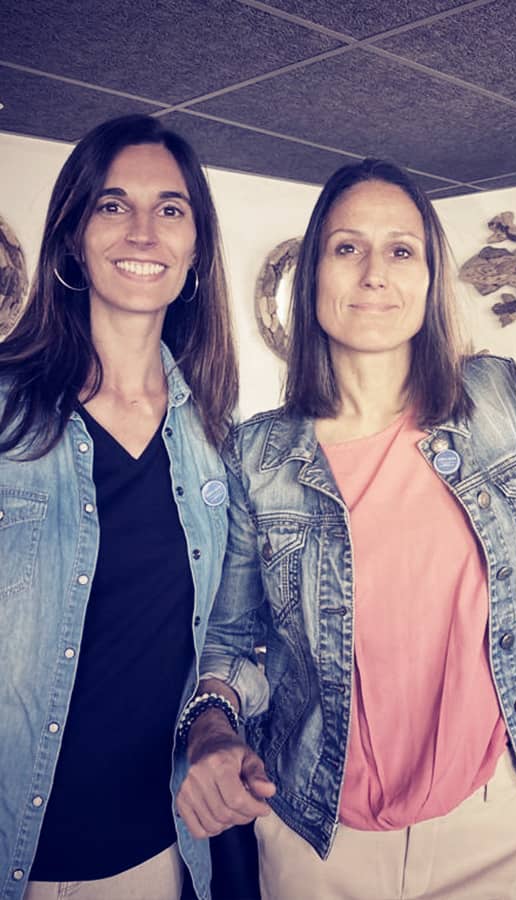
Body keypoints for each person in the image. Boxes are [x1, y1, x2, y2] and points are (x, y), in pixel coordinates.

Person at [175, 158, 516, 899]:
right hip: (318, 844)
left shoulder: (504, 403)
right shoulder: (257, 455)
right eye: (346, 247)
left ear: (429, 279)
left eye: (401, 250)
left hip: (493, 824)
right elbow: (228, 643)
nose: (374, 273)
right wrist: (210, 729)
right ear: (313, 277)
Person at [0, 114, 238, 900]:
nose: (144, 230)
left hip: (152, 854)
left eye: (171, 209)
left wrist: (216, 722)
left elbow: (225, 639)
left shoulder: (214, 440)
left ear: (196, 245)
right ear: (72, 236)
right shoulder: (7, 411)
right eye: (113, 205)